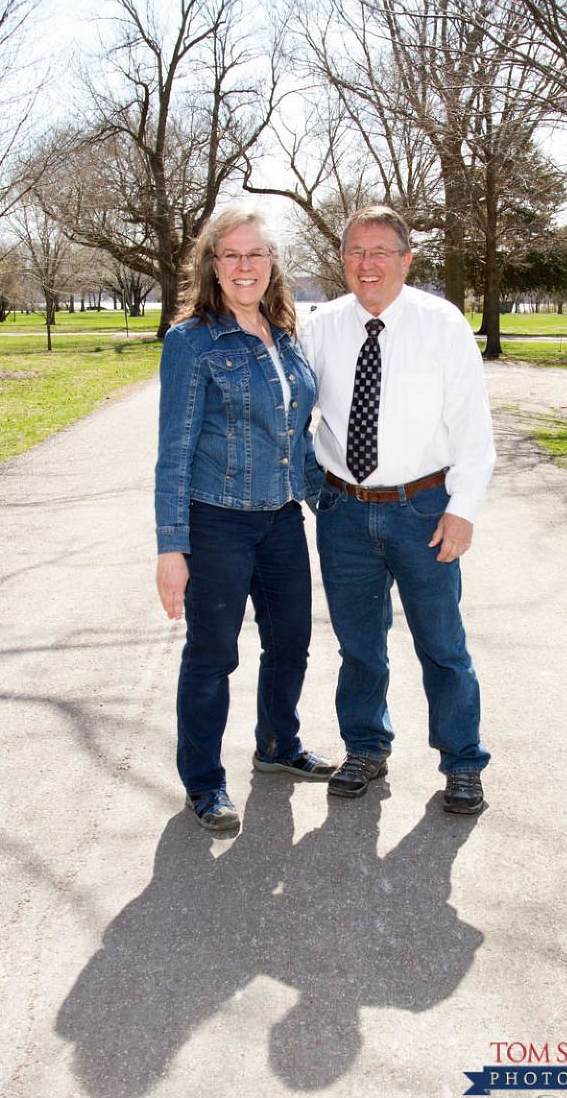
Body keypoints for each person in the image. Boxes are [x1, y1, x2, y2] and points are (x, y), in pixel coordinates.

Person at [301, 205, 495, 815]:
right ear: (343, 259)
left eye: (382, 251)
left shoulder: (443, 324)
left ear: (407, 260)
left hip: (424, 509)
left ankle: (462, 762)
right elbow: (294, 415)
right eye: (357, 251)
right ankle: (366, 745)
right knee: (359, 644)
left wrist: (462, 509)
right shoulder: (321, 326)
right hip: (345, 513)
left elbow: (472, 427)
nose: (368, 263)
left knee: (442, 643)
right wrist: (316, 489)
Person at [155, 205, 334, 832]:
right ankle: (204, 781)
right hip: (217, 523)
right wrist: (171, 546)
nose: (244, 265)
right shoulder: (191, 342)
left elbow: (296, 437)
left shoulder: (286, 337)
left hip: (283, 518)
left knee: (292, 643)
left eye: (255, 253)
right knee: (212, 654)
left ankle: (277, 745)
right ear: (213, 265)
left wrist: (334, 503)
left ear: (271, 264)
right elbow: (173, 452)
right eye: (230, 254)